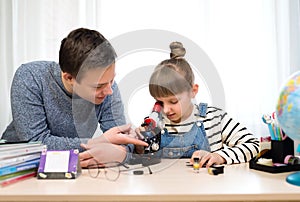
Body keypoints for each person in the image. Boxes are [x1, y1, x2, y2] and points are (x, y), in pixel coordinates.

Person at [1, 28, 147, 165]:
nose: (109, 91)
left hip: (71, 167)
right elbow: (35, 143)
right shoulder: (30, 77)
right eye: (98, 86)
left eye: (112, 80)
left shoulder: (107, 86)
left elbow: (122, 140)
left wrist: (121, 154)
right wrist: (97, 143)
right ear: (69, 78)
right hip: (16, 165)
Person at [137, 41, 259, 168]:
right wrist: (140, 147)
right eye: (160, 102)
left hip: (207, 186)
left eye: (173, 101)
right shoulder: (155, 123)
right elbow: (146, 160)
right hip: (166, 186)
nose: (166, 110)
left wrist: (219, 156)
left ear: (193, 91)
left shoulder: (214, 118)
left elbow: (253, 144)